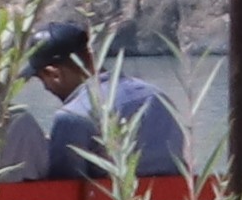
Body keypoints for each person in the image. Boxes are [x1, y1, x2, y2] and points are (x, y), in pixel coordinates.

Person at [23, 25, 188, 184]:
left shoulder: (73, 116)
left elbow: (62, 189)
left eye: (41, 79)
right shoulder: (156, 96)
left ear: (54, 74)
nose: (45, 88)